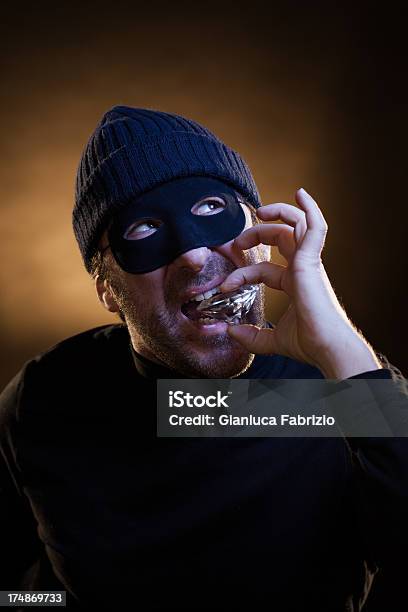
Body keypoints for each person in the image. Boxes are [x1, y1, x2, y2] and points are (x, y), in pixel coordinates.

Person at [0, 105, 407, 611]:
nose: (193, 255)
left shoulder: (338, 391)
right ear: (107, 288)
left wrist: (343, 354)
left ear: (260, 238)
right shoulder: (42, 399)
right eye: (143, 229)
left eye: (212, 208)